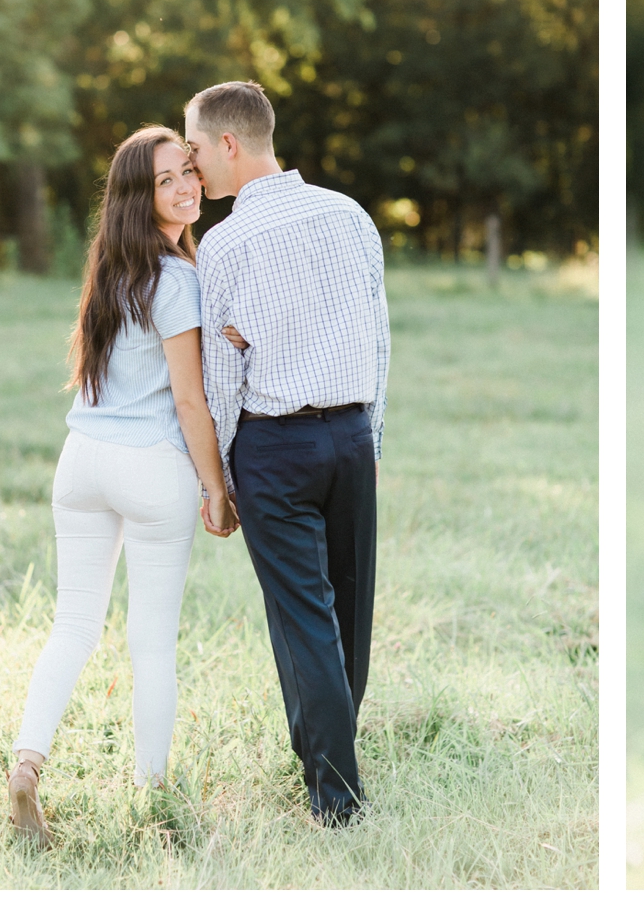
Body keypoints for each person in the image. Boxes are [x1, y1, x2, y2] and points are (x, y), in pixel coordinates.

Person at [8, 126, 239, 847]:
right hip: (149, 467)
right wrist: (217, 486)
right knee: (152, 643)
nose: (187, 187)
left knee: (72, 626)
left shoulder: (111, 267)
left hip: (82, 459)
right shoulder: (177, 279)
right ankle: (154, 793)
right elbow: (191, 400)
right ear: (141, 195)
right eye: (168, 178)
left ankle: (26, 761)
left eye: (190, 173)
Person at [185, 80, 389, 826]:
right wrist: (373, 435)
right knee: (349, 610)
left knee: (303, 615)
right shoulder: (350, 215)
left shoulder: (227, 243)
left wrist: (227, 474)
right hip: (351, 435)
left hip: (273, 442)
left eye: (197, 148)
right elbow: (379, 338)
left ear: (230, 144)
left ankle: (336, 799)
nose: (193, 163)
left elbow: (219, 374)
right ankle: (323, 755)